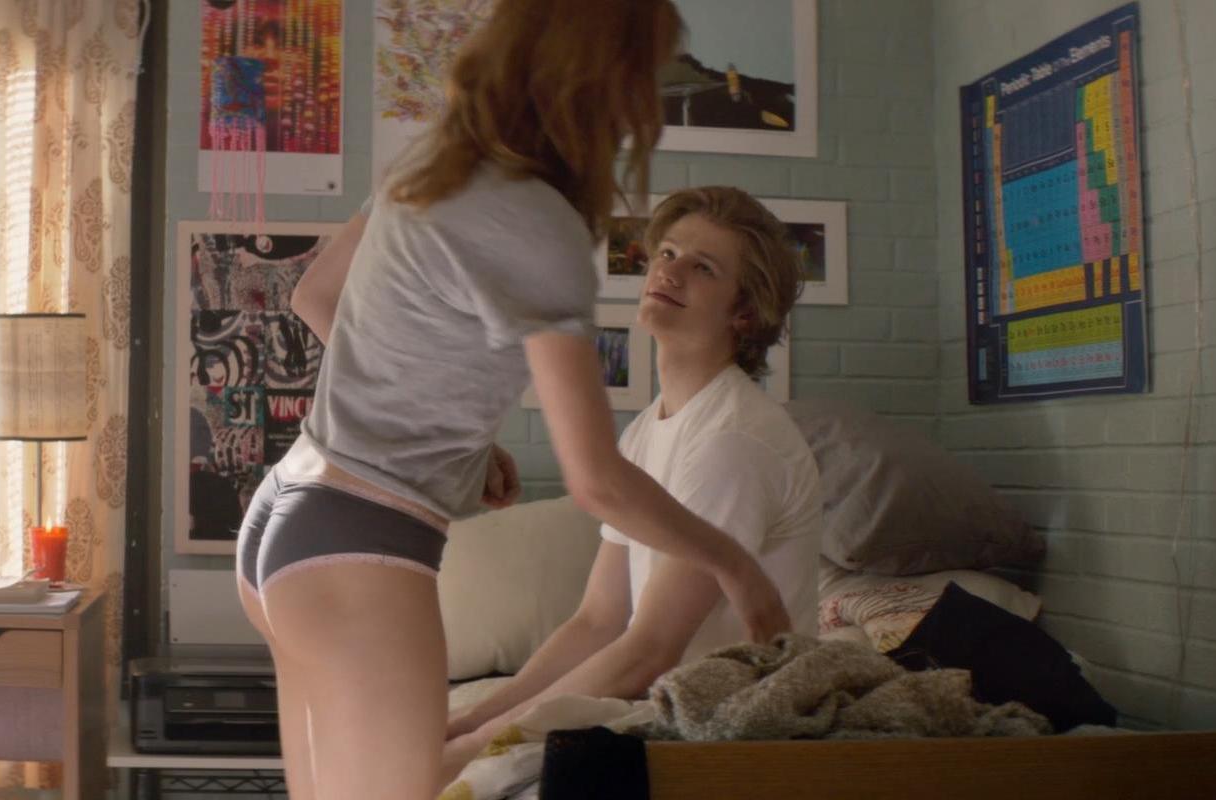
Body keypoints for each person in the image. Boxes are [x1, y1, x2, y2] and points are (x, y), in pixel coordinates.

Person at [231, 3, 790, 798]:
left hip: (286, 515)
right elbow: (595, 481)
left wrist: (456, 435)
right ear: (608, 79)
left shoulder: (434, 162)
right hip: (360, 546)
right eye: (649, 71)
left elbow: (314, 297)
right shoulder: (540, 222)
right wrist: (739, 567)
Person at [442, 187, 822, 777]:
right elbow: (598, 620)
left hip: (719, 731)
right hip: (662, 709)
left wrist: (468, 753)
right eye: (667, 253)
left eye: (703, 267)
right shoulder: (648, 430)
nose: (669, 272)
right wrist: (469, 724)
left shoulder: (734, 441)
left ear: (744, 313)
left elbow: (649, 650)